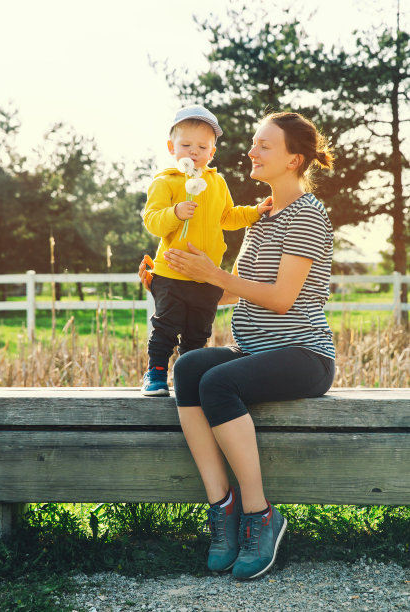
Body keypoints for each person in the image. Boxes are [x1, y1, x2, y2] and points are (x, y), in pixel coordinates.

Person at [139, 111, 335, 580]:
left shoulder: (307, 213)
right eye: (253, 143)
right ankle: (222, 508)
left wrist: (213, 274)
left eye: (264, 146)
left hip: (303, 354)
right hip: (254, 351)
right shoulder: (264, 216)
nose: (251, 151)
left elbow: (283, 299)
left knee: (220, 382)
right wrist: (168, 286)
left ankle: (260, 513)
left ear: (294, 159)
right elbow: (232, 290)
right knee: (188, 371)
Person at [141, 104, 272, 396]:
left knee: (198, 333)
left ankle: (187, 376)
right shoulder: (165, 182)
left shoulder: (216, 182)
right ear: (171, 147)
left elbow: (227, 216)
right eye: (186, 145)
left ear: (212, 152)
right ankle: (156, 373)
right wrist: (175, 212)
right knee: (165, 327)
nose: (193, 151)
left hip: (206, 278)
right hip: (171, 273)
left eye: (202, 146)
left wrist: (254, 212)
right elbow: (152, 221)